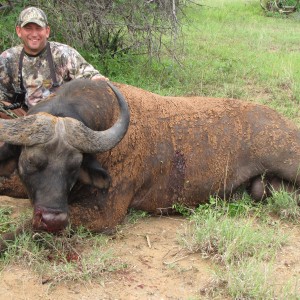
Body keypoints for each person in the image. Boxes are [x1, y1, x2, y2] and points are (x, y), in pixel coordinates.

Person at [0, 6, 107, 111]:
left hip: (60, 119)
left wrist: (97, 81)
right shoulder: (7, 59)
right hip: (23, 120)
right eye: (28, 28)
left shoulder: (64, 54)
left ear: (47, 31)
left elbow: (91, 76)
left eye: (38, 28)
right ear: (19, 31)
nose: (34, 34)